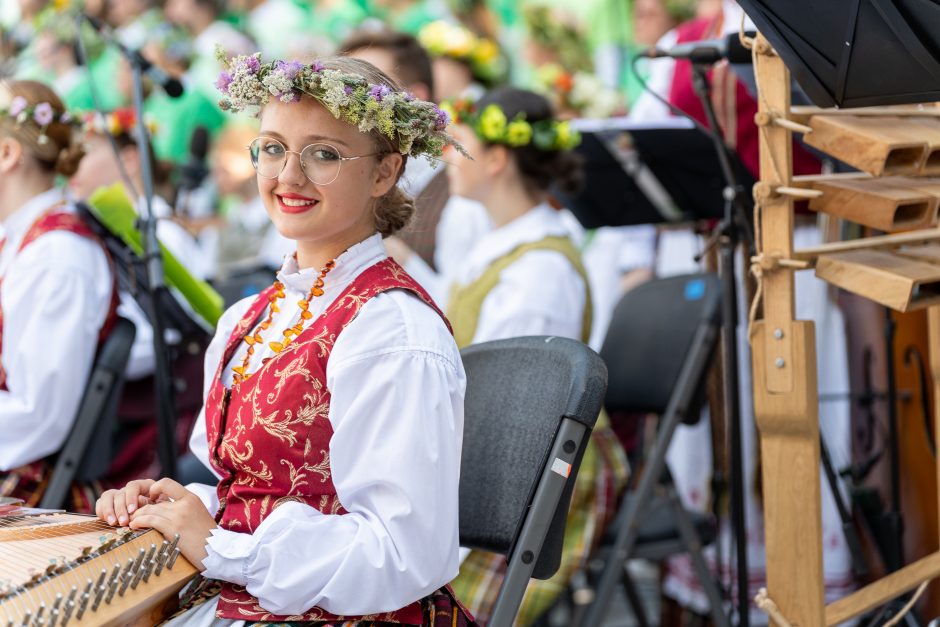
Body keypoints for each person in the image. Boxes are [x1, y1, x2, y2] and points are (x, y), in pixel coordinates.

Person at [96, 53, 476, 626]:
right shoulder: (250, 316)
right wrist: (181, 507)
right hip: (250, 595)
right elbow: (248, 493)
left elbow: (402, 554)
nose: (288, 177)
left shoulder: (393, 331)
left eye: (323, 154)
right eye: (272, 148)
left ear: (384, 172)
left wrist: (225, 549)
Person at [442, 87, 629, 624]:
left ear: (497, 160)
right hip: (490, 441)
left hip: (525, 464)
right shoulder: (504, 244)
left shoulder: (539, 272)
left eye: (464, 145)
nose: (451, 156)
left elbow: (509, 404)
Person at [0, 79, 116, 510]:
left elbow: (39, 415)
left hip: (28, 477)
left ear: (8, 154)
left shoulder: (56, 255)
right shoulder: (22, 239)